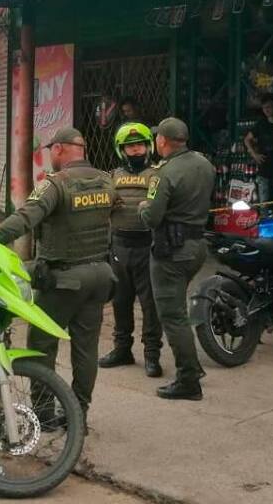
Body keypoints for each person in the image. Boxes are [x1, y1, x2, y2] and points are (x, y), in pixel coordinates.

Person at [0, 127, 114, 421]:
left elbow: (25, 217)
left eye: (50, 152)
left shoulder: (56, 184)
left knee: (42, 345)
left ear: (59, 149)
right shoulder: (106, 181)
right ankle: (78, 414)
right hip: (100, 275)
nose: (50, 158)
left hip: (64, 279)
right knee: (86, 350)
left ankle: (44, 413)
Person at [139, 117, 215, 401]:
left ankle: (188, 379)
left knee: (173, 316)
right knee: (177, 310)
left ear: (163, 141)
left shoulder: (163, 173)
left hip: (171, 251)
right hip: (197, 246)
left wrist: (143, 206)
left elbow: (152, 217)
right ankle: (191, 368)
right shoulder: (204, 163)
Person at [99, 123, 163, 378]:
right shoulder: (112, 176)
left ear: (148, 147)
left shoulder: (157, 174)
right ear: (121, 150)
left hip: (147, 246)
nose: (135, 150)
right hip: (119, 246)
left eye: (139, 145)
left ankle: (152, 356)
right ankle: (122, 349)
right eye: (129, 146)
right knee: (120, 301)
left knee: (150, 304)